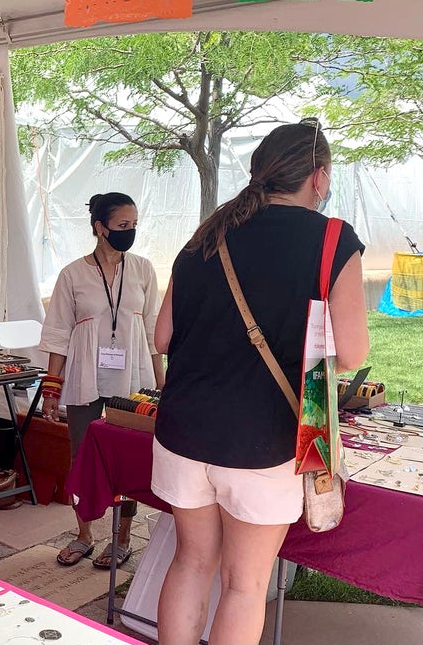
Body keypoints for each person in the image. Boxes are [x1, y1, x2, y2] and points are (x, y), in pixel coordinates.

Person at [152, 121, 369, 645]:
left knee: (190, 562)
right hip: (264, 438)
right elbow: (353, 354)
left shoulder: (207, 233)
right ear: (319, 179)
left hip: (183, 429)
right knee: (244, 585)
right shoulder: (332, 239)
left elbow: (162, 337)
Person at [39, 192, 163, 568]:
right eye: (123, 226)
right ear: (100, 227)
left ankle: (122, 539)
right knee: (83, 457)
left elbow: (155, 331)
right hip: (85, 378)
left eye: (134, 225)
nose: (130, 232)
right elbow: (58, 334)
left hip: (133, 381)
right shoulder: (73, 274)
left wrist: (162, 387)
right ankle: (84, 535)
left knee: (127, 458)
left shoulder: (142, 269)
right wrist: (51, 388)